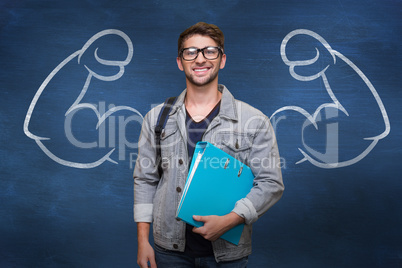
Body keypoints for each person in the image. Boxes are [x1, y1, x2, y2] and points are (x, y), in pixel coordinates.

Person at [134, 22, 284, 268]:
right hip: (169, 251)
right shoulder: (156, 118)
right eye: (190, 51)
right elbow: (145, 179)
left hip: (227, 255)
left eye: (209, 51)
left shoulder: (254, 120)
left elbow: (271, 183)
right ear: (180, 62)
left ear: (222, 60)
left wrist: (231, 220)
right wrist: (143, 241)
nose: (200, 58)